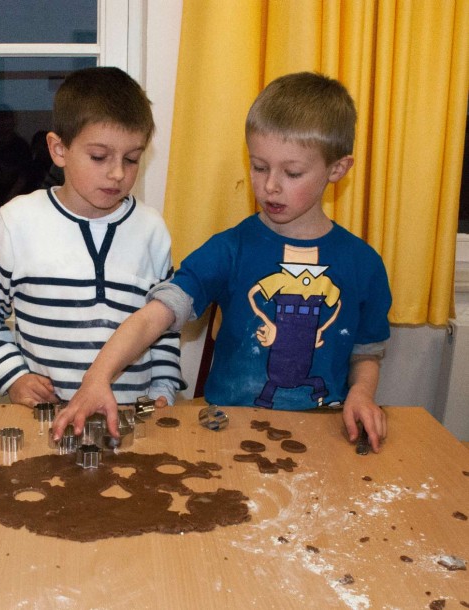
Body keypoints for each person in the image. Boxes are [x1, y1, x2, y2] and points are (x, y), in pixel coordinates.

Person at [51, 72, 392, 453]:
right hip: (229, 434)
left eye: (292, 172)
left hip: (324, 435)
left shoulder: (364, 264)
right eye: (259, 167)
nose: (270, 186)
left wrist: (362, 393)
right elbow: (156, 314)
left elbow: (366, 351)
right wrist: (98, 377)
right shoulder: (230, 249)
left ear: (337, 170)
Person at [0, 67, 185, 409]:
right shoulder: (18, 221)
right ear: (59, 149)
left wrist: (163, 388)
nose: (118, 173)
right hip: (45, 419)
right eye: (99, 157)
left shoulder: (151, 230)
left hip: (129, 420)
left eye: (132, 159)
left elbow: (163, 322)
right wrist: (13, 376)